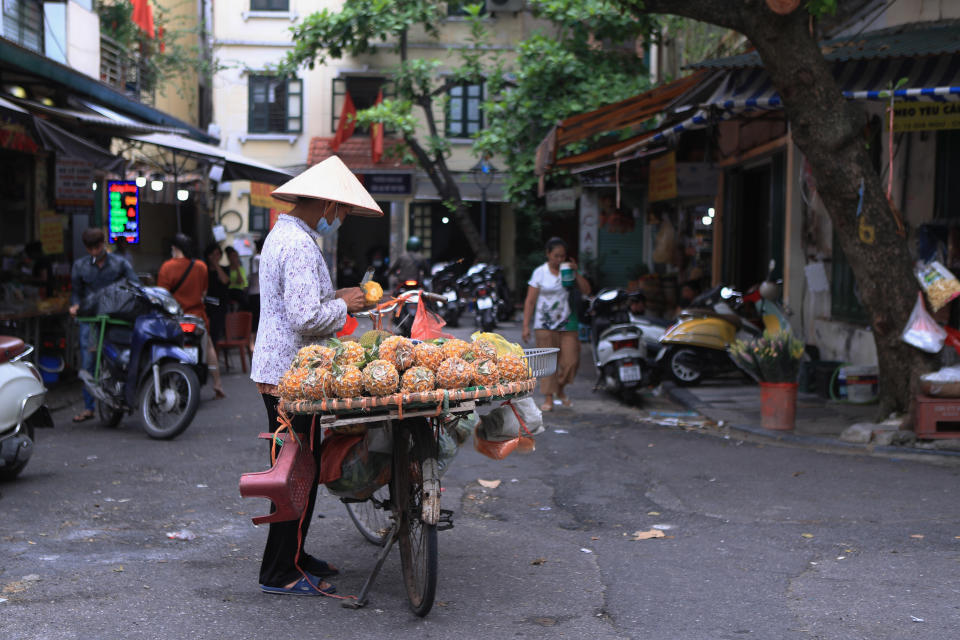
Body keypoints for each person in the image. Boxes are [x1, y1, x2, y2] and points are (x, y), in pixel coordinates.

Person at [250, 155, 381, 596]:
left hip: (286, 372)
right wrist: (348, 305)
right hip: (291, 377)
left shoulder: (285, 234)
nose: (341, 219)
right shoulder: (300, 244)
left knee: (299, 465)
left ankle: (295, 555)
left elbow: (302, 302)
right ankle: (279, 572)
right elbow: (307, 317)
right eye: (341, 211)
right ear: (325, 204)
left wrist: (338, 296)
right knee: (294, 472)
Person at [69, 227, 138, 423]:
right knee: (88, 361)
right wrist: (74, 306)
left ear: (103, 244)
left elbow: (134, 286)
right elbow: (76, 292)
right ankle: (89, 407)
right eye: (90, 249)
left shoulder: (120, 264)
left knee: (117, 358)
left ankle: (118, 397)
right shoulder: (80, 266)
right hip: (90, 320)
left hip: (114, 320)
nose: (94, 252)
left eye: (97, 247)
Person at [522, 237, 591, 412]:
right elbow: (530, 301)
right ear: (548, 254)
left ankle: (560, 387)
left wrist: (576, 273)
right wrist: (525, 325)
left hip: (568, 323)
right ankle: (549, 397)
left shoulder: (568, 271)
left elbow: (587, 291)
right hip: (544, 324)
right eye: (556, 256)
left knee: (571, 362)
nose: (559, 259)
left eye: (563, 256)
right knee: (547, 364)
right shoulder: (540, 272)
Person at [157, 233, 225, 399]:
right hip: (197, 317)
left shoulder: (166, 267)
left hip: (175, 318)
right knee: (208, 346)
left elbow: (162, 296)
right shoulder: (200, 266)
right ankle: (217, 384)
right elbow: (203, 292)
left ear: (174, 248)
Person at [204, 242, 230, 350]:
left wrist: (216, 265)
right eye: (213, 254)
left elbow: (225, 281)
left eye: (218, 254)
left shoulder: (224, 269)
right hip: (207, 305)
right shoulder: (204, 269)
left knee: (215, 332)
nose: (216, 257)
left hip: (219, 306)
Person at [248, 238, 263, 351]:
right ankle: (252, 342)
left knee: (255, 318)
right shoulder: (258, 258)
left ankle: (252, 342)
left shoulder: (253, 258)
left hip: (253, 291)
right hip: (257, 292)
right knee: (256, 318)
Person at [224, 246, 249, 311]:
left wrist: (237, 267)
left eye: (236, 256)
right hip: (230, 291)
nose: (234, 258)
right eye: (232, 256)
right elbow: (227, 282)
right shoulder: (227, 269)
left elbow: (241, 281)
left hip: (239, 291)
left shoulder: (241, 269)